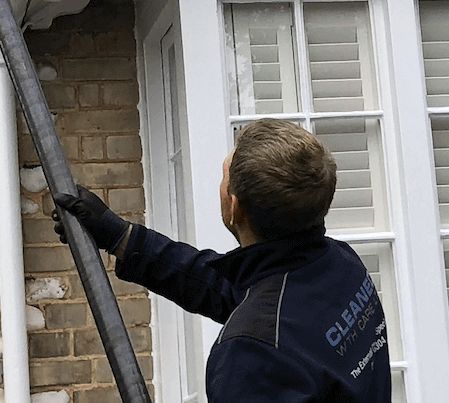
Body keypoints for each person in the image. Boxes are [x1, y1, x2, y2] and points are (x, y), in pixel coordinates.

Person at [54, 118, 390, 403]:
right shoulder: (339, 263)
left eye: (223, 175)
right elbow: (232, 289)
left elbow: (261, 317)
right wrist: (121, 237)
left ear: (234, 207)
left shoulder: (251, 355)